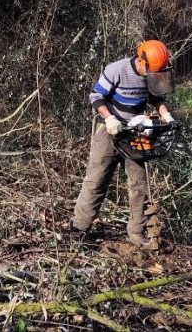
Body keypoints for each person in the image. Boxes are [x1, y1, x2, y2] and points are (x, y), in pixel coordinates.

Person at [71, 40, 176, 247]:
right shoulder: (117, 70)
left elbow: (156, 98)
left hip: (135, 132)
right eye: (151, 70)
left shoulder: (153, 74)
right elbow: (96, 96)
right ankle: (79, 228)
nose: (154, 74)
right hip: (110, 130)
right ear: (141, 60)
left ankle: (136, 232)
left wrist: (167, 116)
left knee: (140, 184)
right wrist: (110, 119)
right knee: (97, 179)